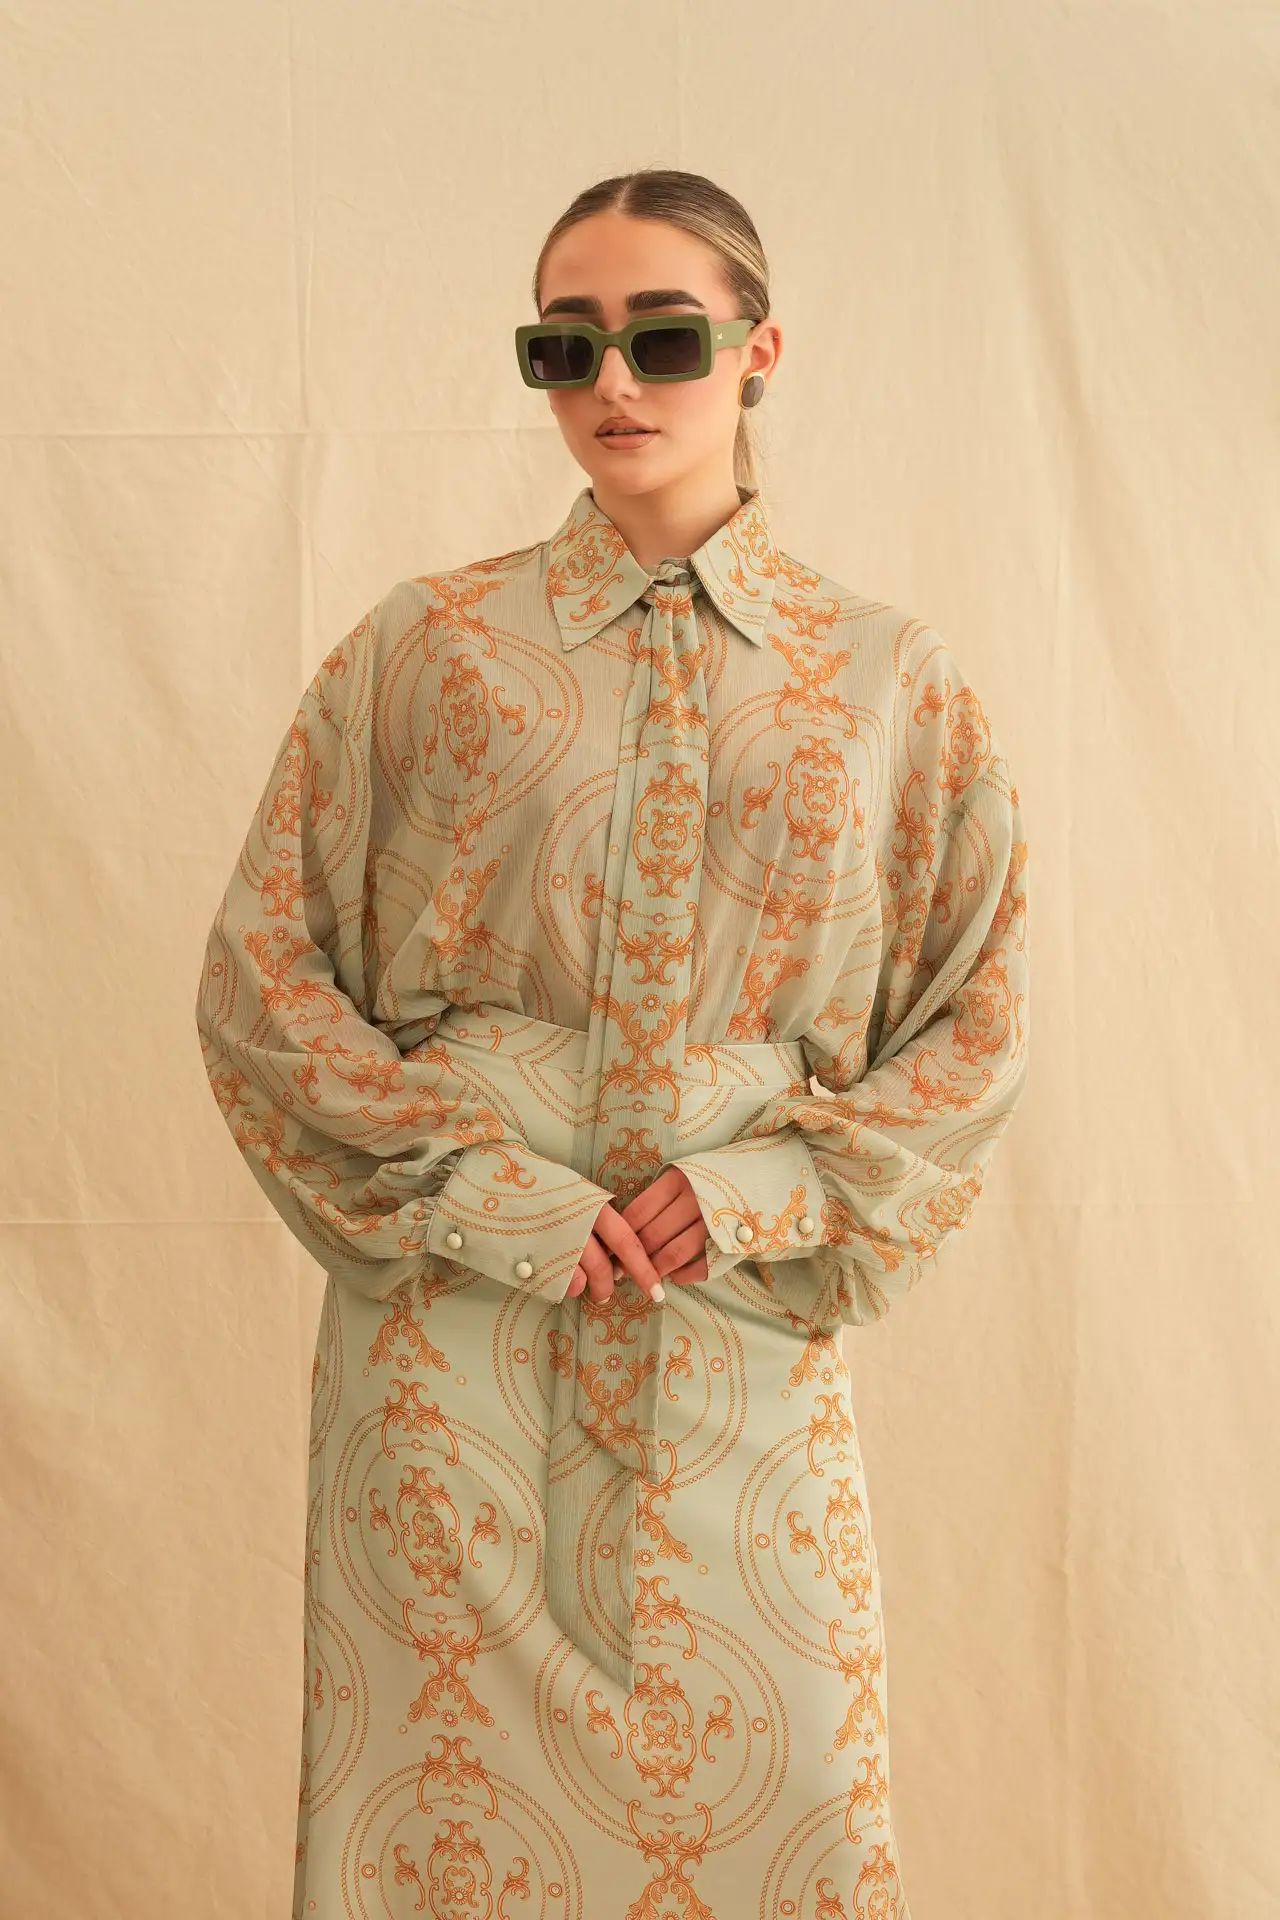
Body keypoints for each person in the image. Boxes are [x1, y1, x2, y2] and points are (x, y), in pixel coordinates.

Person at [195, 167, 1030, 1919]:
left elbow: (976, 1018)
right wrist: (482, 1189)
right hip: (453, 1339)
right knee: (443, 1834)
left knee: (793, 1805)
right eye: (564, 347)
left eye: (662, 337)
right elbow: (266, 975)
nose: (614, 385)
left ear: (759, 351)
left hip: (736, 1331)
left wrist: (762, 1191)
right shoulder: (427, 648)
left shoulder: (885, 678)